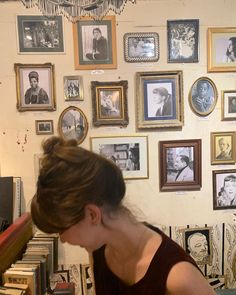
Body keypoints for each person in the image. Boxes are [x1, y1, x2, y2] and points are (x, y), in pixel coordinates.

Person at [31, 136, 215, 295]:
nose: (62, 239)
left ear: (92, 214)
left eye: (61, 228)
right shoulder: (98, 250)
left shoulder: (178, 276)